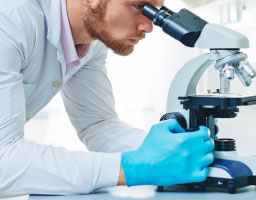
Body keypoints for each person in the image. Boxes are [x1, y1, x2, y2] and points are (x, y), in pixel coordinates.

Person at [0, 0, 214, 197]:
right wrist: (129, 168)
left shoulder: (91, 43)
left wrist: (175, 151)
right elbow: (4, 162)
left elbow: (97, 124)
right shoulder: (10, 21)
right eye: (139, 6)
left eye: (155, 11)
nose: (149, 26)